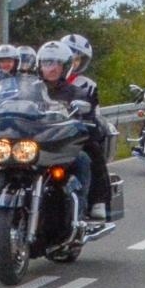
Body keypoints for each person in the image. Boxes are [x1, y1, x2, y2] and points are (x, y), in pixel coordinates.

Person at [37, 39, 108, 221]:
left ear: (65, 67)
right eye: (47, 63)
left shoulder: (77, 92)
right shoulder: (30, 89)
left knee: (84, 158)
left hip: (62, 145)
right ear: (39, 65)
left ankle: (85, 209)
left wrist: (87, 121)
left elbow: (91, 118)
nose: (51, 68)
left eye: (57, 64)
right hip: (35, 144)